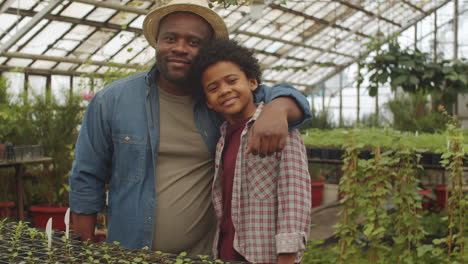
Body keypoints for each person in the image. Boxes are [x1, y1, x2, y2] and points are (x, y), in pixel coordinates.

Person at [69, 0, 312, 256]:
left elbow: (284, 98)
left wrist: (279, 108)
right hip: (131, 253)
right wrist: (84, 250)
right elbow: (87, 177)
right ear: (157, 43)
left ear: (207, 51)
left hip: (205, 253)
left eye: (193, 42)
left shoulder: (219, 100)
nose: (180, 48)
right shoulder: (112, 101)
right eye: (170, 39)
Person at [190, 39, 311, 264]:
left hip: (262, 256)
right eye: (213, 88)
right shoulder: (222, 138)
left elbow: (294, 200)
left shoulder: (277, 129)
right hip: (226, 253)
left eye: (232, 80)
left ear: (253, 82)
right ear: (208, 102)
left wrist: (286, 257)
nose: (225, 90)